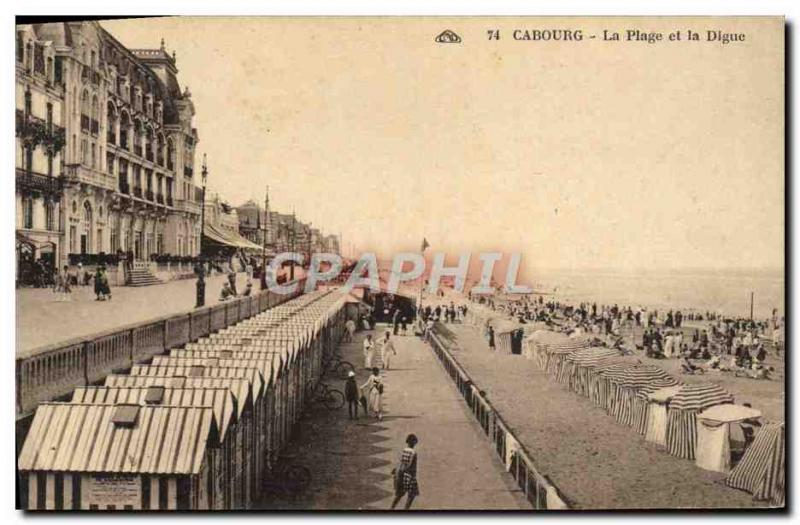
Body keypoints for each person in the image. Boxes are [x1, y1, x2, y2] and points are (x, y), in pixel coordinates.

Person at [391, 434, 420, 510]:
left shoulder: (404, 450)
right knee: (411, 495)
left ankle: (391, 508)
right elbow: (411, 464)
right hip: (410, 475)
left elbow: (401, 461)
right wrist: (413, 476)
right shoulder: (413, 452)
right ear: (413, 442)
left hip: (402, 474)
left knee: (400, 494)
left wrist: (397, 470)